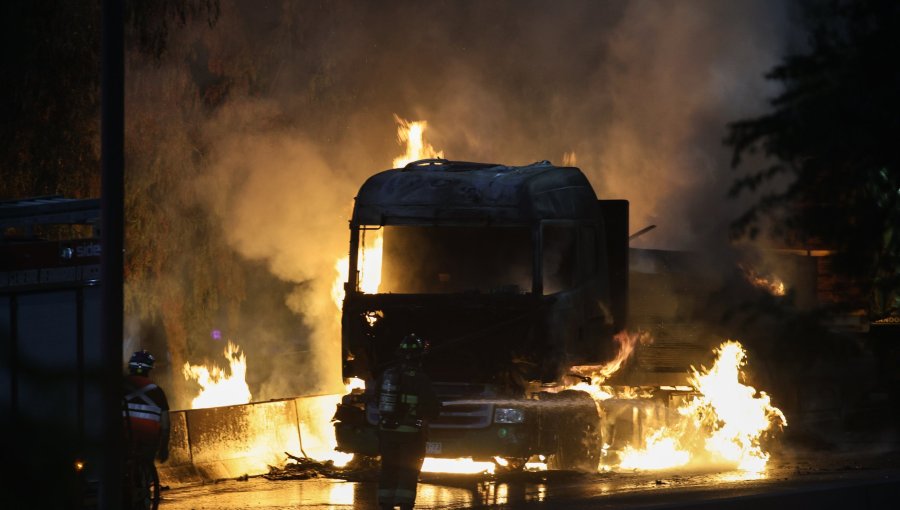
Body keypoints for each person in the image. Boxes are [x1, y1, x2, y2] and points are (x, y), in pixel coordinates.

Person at [375, 334, 441, 510]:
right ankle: (405, 504)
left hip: (386, 431)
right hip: (410, 433)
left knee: (388, 467)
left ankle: (384, 502)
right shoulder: (420, 377)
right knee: (408, 469)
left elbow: (375, 399)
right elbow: (431, 406)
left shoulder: (387, 375)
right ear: (419, 356)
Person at [123, 350, 170, 465]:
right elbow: (166, 426)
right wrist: (163, 448)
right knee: (146, 464)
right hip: (148, 439)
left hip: (124, 436)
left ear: (130, 367)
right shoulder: (158, 392)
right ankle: (145, 478)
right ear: (149, 369)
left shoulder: (120, 386)